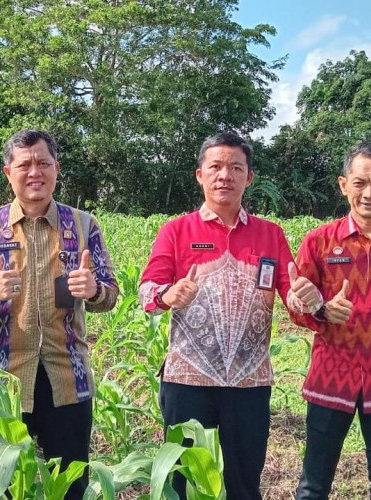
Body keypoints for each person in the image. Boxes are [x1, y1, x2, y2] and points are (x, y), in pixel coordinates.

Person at [139, 132, 319, 499]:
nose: (226, 175)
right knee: (184, 479)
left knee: (244, 480)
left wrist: (308, 299)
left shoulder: (270, 235)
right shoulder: (176, 231)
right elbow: (147, 289)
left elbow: (293, 296)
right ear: (200, 175)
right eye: (216, 167)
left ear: (249, 177)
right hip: (188, 380)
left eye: (236, 167)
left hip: (249, 382)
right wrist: (168, 293)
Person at [0, 129, 118, 498]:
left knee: (71, 486)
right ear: (8, 172)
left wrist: (93, 291)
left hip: (68, 379)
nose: (34, 172)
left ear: (56, 168)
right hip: (1, 382)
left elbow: (111, 296)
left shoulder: (84, 225)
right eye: (24, 164)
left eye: (43, 163)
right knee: (2, 488)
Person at [290, 142, 371, 498]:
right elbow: (297, 303)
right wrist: (319, 309)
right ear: (343, 184)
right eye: (360, 183)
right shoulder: (319, 241)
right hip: (331, 377)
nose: (368, 194)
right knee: (314, 484)